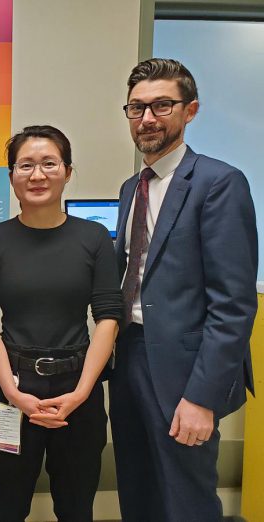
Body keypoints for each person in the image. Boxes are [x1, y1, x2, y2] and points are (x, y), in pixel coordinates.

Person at [110, 58, 258, 522]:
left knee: (186, 501)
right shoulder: (130, 188)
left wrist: (202, 397)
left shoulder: (219, 183)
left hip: (185, 372)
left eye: (161, 106)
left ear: (190, 110)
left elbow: (233, 306)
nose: (147, 119)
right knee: (138, 489)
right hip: (129, 357)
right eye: (137, 108)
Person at [0, 125, 122, 521]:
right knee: (8, 505)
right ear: (11, 176)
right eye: (26, 166)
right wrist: (12, 393)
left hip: (79, 389)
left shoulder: (93, 239)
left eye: (49, 164)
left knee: (76, 507)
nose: (37, 175)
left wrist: (82, 393)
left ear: (67, 172)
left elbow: (108, 317)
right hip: (13, 389)